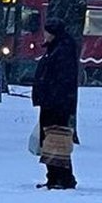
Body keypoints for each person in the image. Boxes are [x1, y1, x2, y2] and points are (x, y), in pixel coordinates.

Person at [32, 16, 79, 190]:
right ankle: (54, 176)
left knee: (56, 140)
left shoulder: (62, 50)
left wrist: (51, 97)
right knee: (51, 140)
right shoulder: (55, 48)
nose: (44, 34)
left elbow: (61, 79)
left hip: (57, 104)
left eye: (46, 31)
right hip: (52, 102)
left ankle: (62, 177)